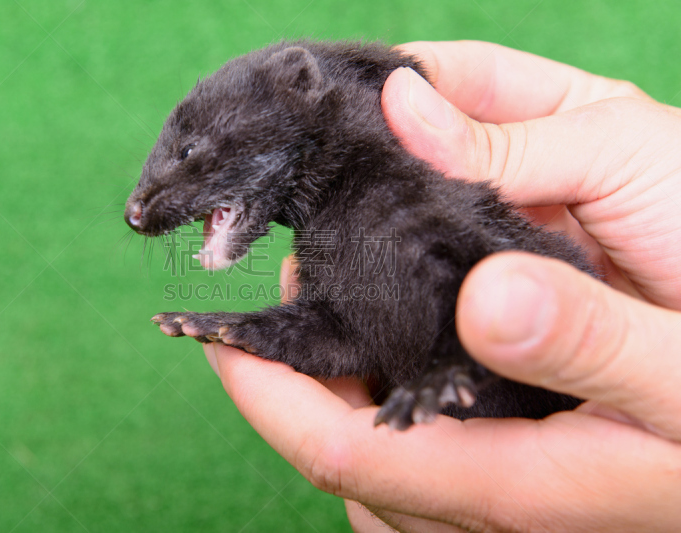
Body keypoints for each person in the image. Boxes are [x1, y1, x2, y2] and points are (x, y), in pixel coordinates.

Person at [202, 41, 681, 532]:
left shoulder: (403, 199)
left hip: (548, 403)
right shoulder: (329, 241)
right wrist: (250, 330)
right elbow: (346, 338)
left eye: (192, 151)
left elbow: (472, 278)